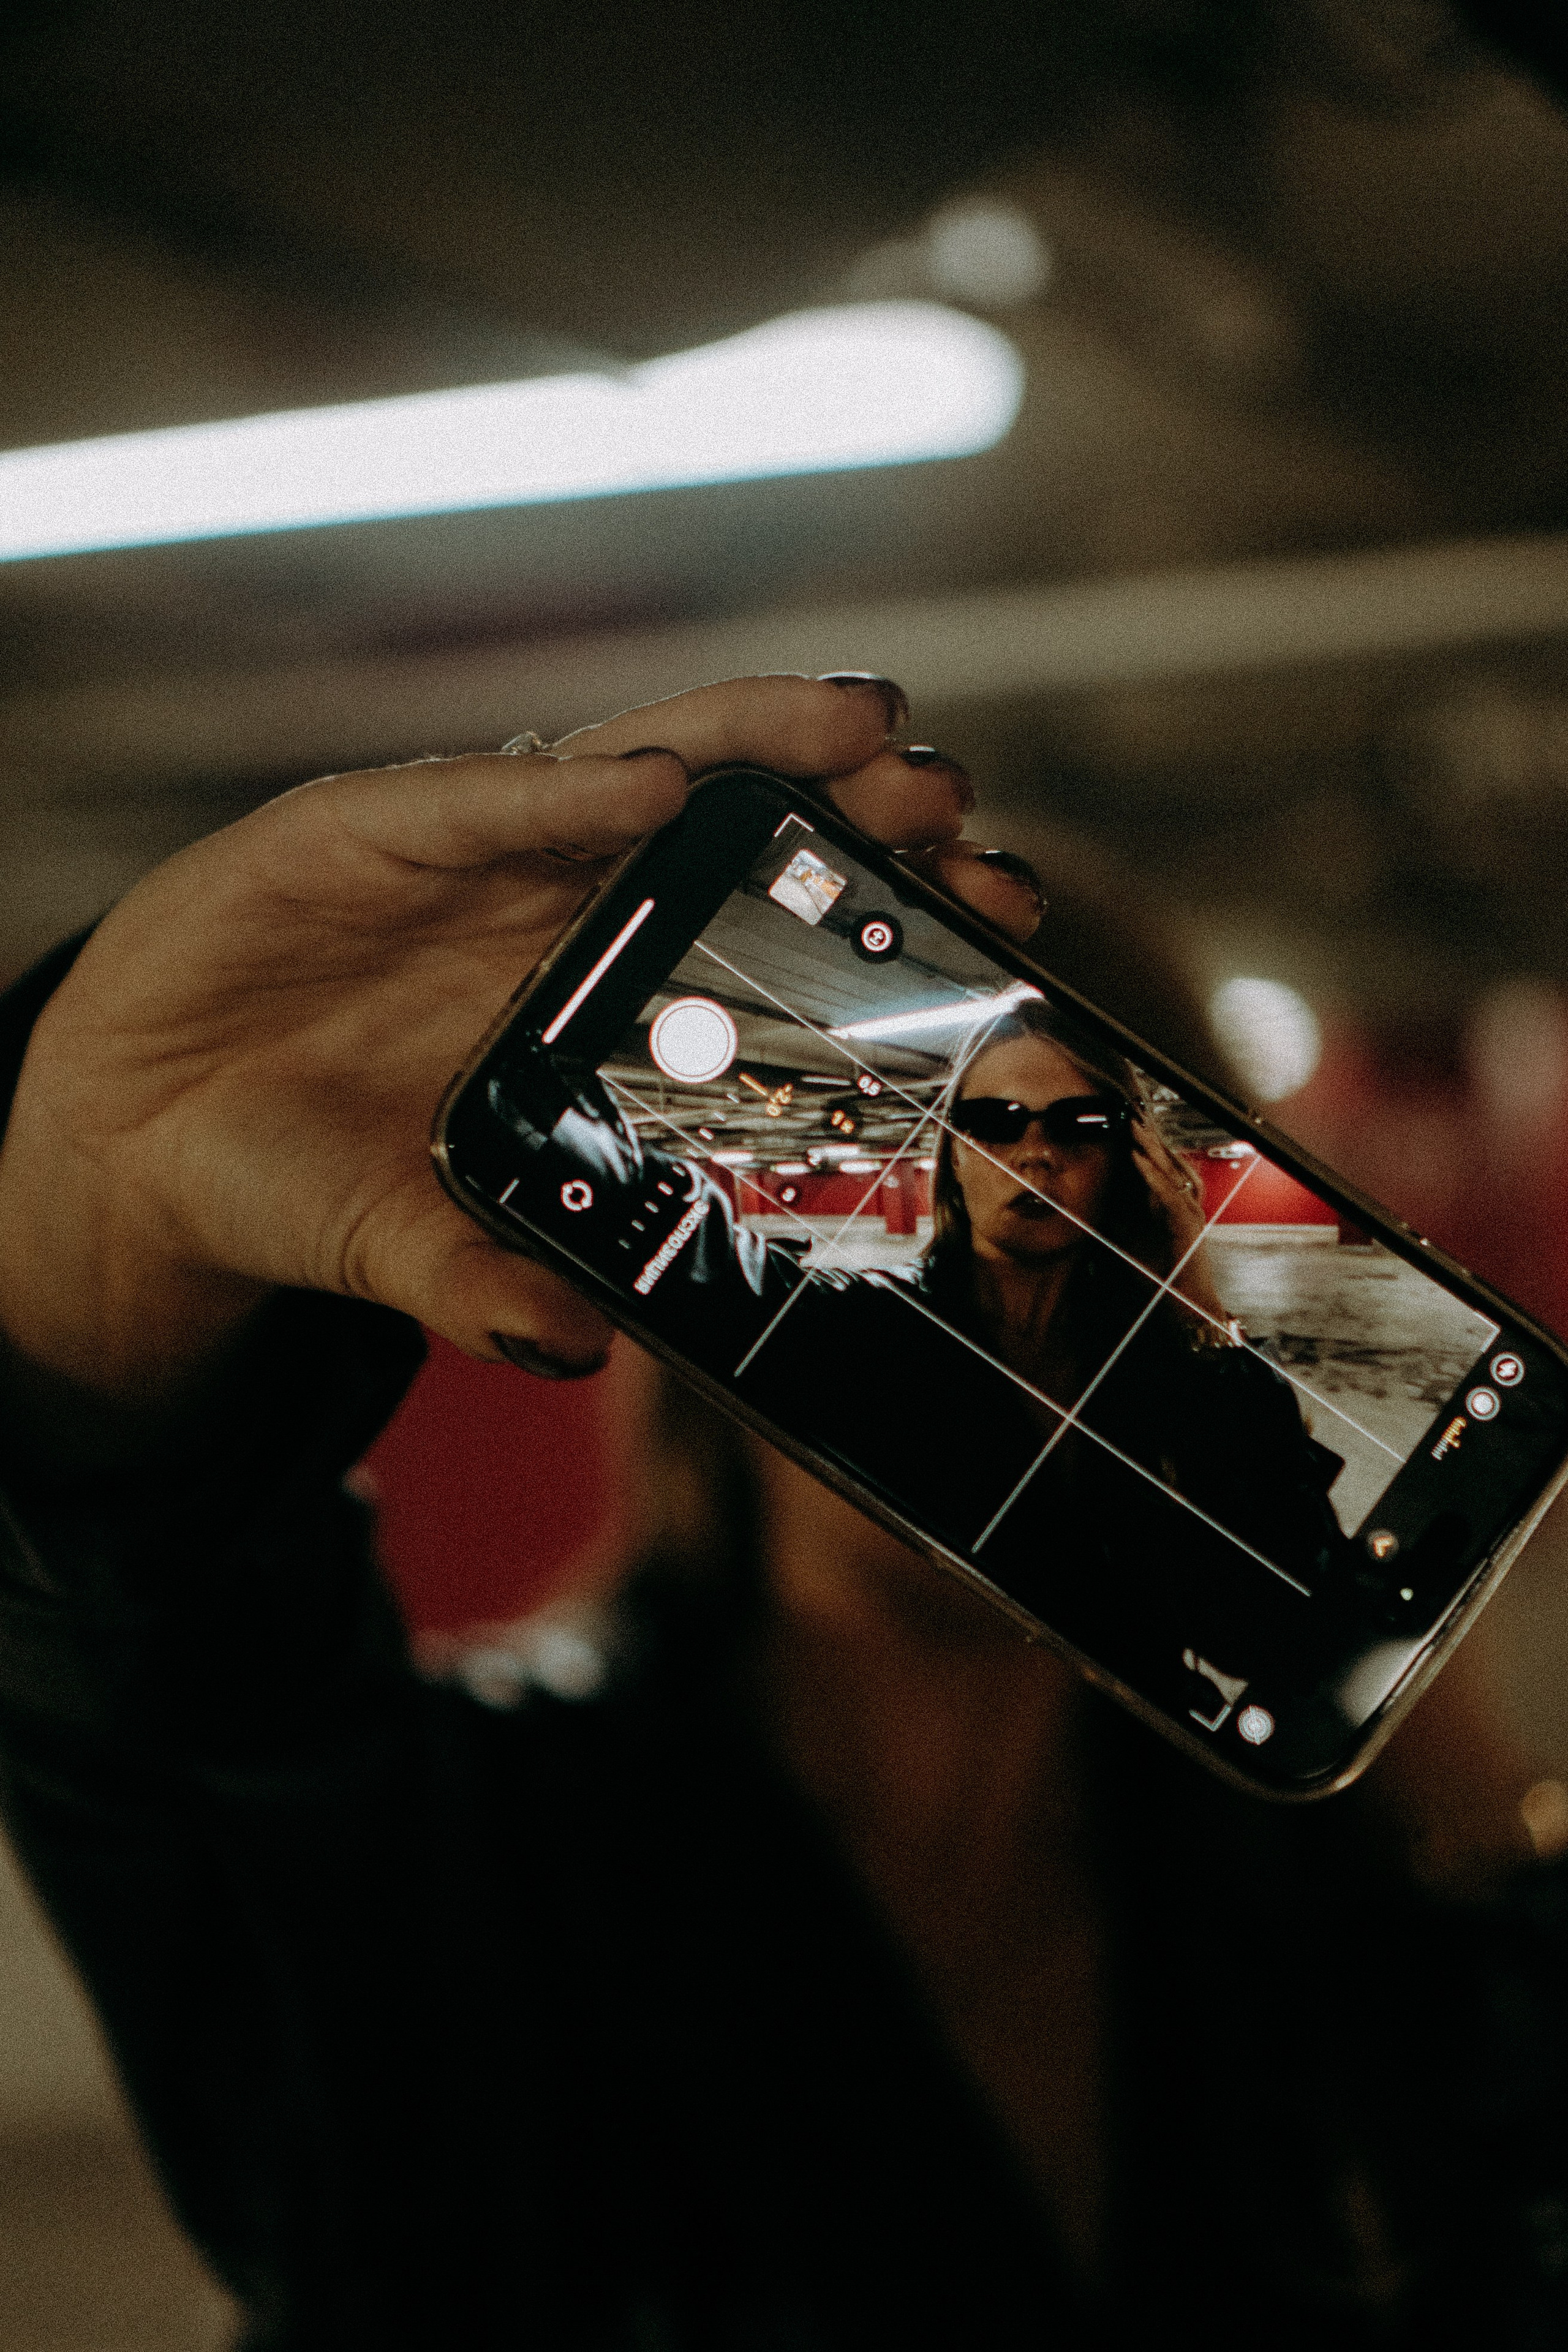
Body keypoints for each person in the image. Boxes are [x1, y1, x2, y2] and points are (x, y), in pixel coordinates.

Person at [0, 674, 1564, 2349]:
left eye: (1090, 1191)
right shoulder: (477, 1866)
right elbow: (178, 1688)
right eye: (957, 1182)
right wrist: (79, 1260)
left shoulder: (1349, 1918)